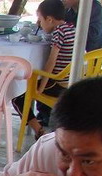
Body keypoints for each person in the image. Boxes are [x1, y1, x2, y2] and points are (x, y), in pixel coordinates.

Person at [12, 0, 75, 140]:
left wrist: (41, 87)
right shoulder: (72, 28)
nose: (38, 24)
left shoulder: (59, 33)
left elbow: (51, 62)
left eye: (40, 20)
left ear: (50, 19)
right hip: (71, 81)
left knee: (17, 94)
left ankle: (39, 131)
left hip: (57, 84)